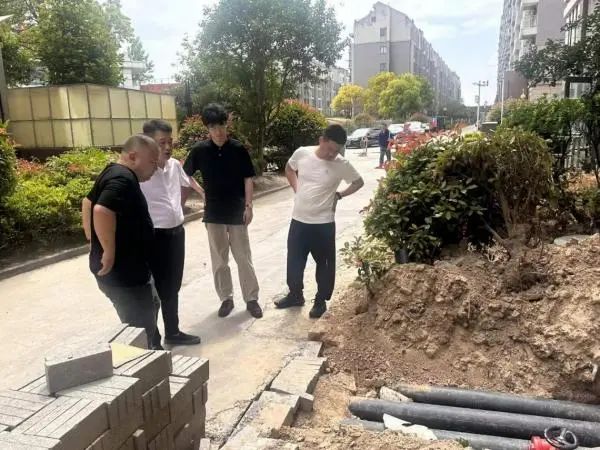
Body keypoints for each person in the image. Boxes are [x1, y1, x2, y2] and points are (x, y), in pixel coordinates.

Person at [275, 124, 364, 318]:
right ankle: (295, 295)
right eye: (329, 149)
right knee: (294, 261)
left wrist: (339, 195)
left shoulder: (342, 164)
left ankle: (320, 300)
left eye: (336, 151)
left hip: (323, 224)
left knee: (324, 265)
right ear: (321, 140)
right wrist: (297, 189)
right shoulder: (302, 153)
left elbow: (359, 182)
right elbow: (289, 168)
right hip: (299, 220)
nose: (332, 154)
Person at [182, 103, 262, 319]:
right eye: (212, 127)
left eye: (221, 126)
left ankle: (251, 299)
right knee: (219, 259)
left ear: (227, 125)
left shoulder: (238, 149)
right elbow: (185, 174)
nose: (218, 131)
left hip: (237, 210)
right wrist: (201, 191)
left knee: (243, 257)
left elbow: (248, 179)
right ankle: (226, 298)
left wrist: (249, 206)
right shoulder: (200, 150)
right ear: (207, 128)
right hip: (214, 212)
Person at [82, 135, 160, 349]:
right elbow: (101, 210)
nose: (156, 168)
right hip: (124, 276)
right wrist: (107, 250)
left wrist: (93, 239)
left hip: (131, 273)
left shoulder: (112, 171)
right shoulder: (123, 178)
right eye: (153, 162)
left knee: (150, 310)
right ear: (133, 157)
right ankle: (145, 360)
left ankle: (154, 350)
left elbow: (87, 202)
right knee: (139, 331)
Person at [140, 119, 203, 348]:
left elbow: (187, 182)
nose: (167, 147)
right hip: (152, 237)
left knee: (172, 287)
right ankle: (152, 340)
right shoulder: (139, 173)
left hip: (176, 234)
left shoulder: (175, 165)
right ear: (148, 144)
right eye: (161, 143)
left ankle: (173, 332)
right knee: (153, 292)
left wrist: (192, 199)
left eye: (170, 142)